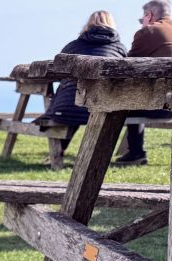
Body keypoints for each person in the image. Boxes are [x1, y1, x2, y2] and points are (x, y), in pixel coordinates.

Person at [34, 12, 125, 164]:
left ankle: (58, 153)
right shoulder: (119, 48)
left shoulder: (73, 46)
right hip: (104, 106)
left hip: (68, 108)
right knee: (85, 102)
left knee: (75, 102)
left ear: (88, 25)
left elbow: (57, 70)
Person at [115, 1, 172, 165]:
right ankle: (135, 152)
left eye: (142, 19)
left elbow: (127, 67)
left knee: (124, 104)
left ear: (148, 15)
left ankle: (135, 152)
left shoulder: (149, 31)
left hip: (160, 107)